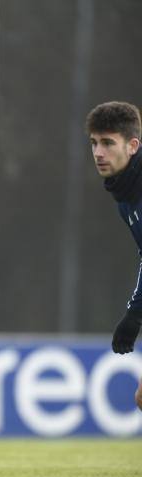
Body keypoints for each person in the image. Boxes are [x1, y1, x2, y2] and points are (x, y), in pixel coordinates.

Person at [85, 101, 142, 413]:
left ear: (132, 146)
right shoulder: (126, 196)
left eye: (108, 143)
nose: (98, 153)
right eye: (94, 143)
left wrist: (134, 314)